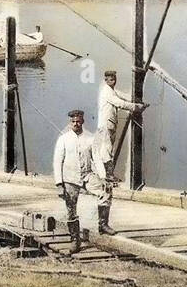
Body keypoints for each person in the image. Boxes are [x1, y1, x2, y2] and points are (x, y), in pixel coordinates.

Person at [91, 69, 147, 234]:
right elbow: (119, 103)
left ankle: (109, 173)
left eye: (114, 78)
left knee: (109, 149)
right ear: (105, 79)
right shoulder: (106, 93)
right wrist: (136, 106)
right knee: (106, 150)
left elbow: (121, 95)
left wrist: (135, 99)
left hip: (111, 124)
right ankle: (108, 174)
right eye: (109, 79)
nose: (112, 81)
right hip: (105, 126)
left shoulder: (112, 90)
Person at [53, 109, 94, 254]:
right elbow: (57, 162)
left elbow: (95, 159)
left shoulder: (90, 138)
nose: (76, 124)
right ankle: (74, 240)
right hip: (69, 179)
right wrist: (59, 184)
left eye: (78, 121)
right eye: (73, 121)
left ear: (83, 121)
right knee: (71, 210)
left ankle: (99, 229)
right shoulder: (63, 139)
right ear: (70, 122)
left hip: (87, 178)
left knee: (99, 201)